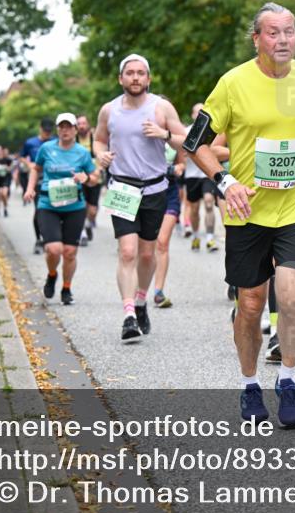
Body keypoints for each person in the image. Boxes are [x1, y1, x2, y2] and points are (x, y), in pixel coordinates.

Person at [183, 2, 295, 428]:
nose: (283, 40)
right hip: (247, 209)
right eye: (273, 33)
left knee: (290, 296)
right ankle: (250, 384)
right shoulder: (233, 83)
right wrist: (224, 181)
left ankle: (288, 380)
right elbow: (194, 142)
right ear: (257, 39)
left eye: (289, 32)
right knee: (251, 304)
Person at [94, 53, 188, 343]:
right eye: (130, 73)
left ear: (148, 78)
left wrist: (164, 133)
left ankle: (141, 299)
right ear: (121, 78)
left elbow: (187, 140)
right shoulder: (109, 110)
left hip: (155, 189)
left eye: (140, 73)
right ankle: (128, 316)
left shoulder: (161, 107)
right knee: (127, 252)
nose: (135, 78)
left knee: (148, 255)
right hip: (121, 187)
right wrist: (100, 154)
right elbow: (98, 139)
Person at [23, 113, 99, 306]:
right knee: (53, 249)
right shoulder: (46, 148)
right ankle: (51, 274)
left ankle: (66, 288)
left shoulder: (82, 152)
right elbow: (35, 168)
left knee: (70, 252)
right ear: (58, 130)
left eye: (69, 127)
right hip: (49, 204)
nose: (65, 130)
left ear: (75, 130)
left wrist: (86, 179)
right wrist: (30, 189)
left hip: (75, 206)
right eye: (61, 127)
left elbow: (94, 178)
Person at [183, 103, 220, 253]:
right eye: (196, 112)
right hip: (191, 175)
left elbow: (217, 151)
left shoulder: (212, 132)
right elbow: (180, 152)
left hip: (207, 174)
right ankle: (196, 235)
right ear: (192, 115)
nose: (199, 114)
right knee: (194, 208)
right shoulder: (186, 131)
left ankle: (210, 238)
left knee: (209, 203)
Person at [152, 141, 185, 308]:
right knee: (143, 246)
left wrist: (179, 168)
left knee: (162, 243)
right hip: (146, 193)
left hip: (170, 192)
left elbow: (181, 163)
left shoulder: (172, 138)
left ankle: (158, 291)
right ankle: (137, 289)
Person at [22, 119, 55, 254]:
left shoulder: (55, 142)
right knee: (39, 210)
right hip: (36, 179)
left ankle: (51, 238)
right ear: (40, 129)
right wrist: (29, 164)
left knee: (53, 210)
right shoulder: (30, 143)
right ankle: (38, 239)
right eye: (45, 131)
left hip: (53, 180)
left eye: (49, 131)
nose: (47, 133)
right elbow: (22, 156)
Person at [76, 114, 101, 246]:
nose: (81, 126)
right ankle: (83, 231)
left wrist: (100, 168)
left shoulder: (95, 139)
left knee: (92, 210)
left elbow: (102, 155)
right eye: (79, 124)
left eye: (83, 123)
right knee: (82, 205)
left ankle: (88, 223)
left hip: (95, 178)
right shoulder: (74, 140)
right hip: (80, 178)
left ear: (88, 125)